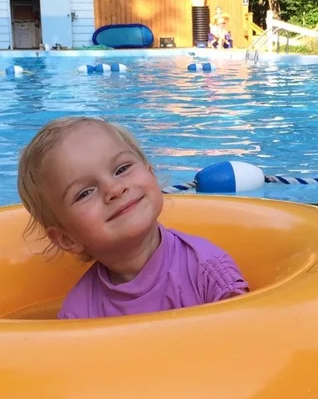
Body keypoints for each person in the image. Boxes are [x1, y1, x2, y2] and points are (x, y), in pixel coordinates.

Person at [17, 116, 250, 319]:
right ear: (67, 238)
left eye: (121, 169)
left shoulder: (207, 271)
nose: (114, 189)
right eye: (85, 193)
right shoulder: (78, 314)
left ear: (151, 174)